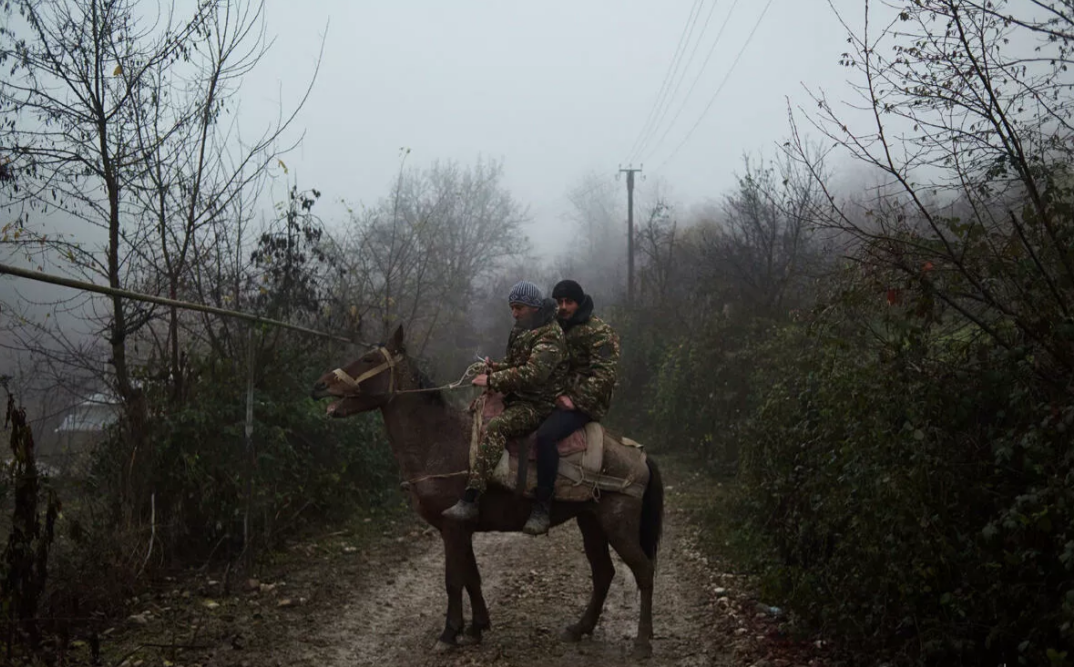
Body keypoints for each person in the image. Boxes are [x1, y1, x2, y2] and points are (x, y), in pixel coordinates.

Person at [442, 280, 568, 522]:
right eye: (512, 307)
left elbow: (534, 373)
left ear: (534, 307)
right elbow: (514, 364)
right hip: (517, 395)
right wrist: (494, 368)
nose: (514, 313)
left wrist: (492, 380)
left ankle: (471, 497)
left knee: (497, 426)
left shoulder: (550, 335)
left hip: (537, 404)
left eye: (519, 307)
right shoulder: (522, 329)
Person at [522, 279, 621, 535]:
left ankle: (543, 505)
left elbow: (605, 376)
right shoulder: (555, 326)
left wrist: (575, 400)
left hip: (585, 402)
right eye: (559, 301)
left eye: (569, 302)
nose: (563, 306)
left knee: (546, 435)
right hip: (556, 396)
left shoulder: (599, 332)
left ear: (579, 302)